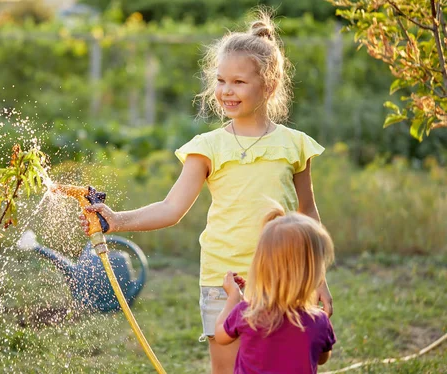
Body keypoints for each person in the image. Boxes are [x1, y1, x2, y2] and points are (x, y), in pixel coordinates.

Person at [80, 9, 333, 373]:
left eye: (239, 82)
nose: (226, 91)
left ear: (269, 85)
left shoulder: (295, 146)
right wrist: (117, 220)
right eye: (221, 80)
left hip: (286, 280)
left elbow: (308, 215)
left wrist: (318, 278)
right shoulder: (207, 147)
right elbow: (171, 208)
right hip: (224, 282)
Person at [214, 207, 336, 373]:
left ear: (261, 266)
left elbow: (220, 335)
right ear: (313, 273)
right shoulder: (319, 321)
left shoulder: (248, 312)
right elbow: (322, 358)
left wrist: (233, 298)